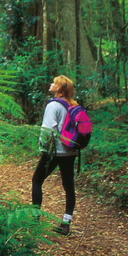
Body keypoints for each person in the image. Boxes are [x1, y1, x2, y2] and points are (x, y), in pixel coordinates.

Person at [31, 75, 78, 235]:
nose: (51, 84)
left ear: (59, 88)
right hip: (70, 151)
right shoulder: (72, 105)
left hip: (55, 151)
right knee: (69, 186)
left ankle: (34, 219)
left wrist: (43, 148)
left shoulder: (53, 106)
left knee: (37, 180)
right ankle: (66, 223)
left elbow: (48, 129)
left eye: (54, 83)